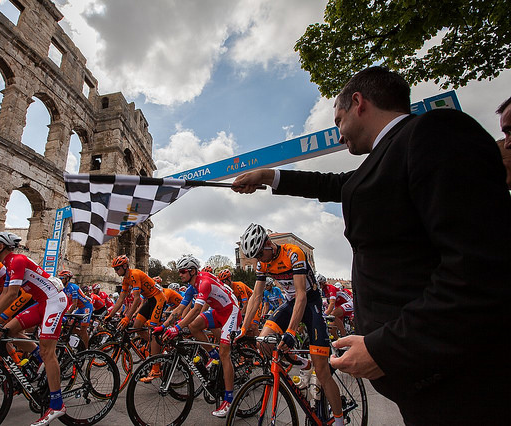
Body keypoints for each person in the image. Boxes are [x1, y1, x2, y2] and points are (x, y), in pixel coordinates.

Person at [232, 66, 511, 424]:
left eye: (338, 120)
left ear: (358, 103)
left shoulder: (434, 131)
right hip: (420, 380)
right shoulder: (385, 158)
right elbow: (334, 184)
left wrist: (386, 348)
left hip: (455, 379)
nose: (338, 132)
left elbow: (480, 267)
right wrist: (269, 176)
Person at [236, 224, 344, 425]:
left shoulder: (293, 253)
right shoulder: (262, 263)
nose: (259, 260)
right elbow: (256, 296)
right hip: (290, 302)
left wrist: (291, 332)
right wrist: (243, 328)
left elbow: (301, 295)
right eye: (255, 257)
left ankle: (339, 420)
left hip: (311, 303)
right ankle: (303, 363)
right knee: (263, 342)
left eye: (260, 254)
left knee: (322, 371)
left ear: (268, 244)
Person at [0, 232, 68, 425]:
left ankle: (57, 405)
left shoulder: (17, 260)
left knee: (49, 351)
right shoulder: (8, 265)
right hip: (42, 303)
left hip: (54, 301)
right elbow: (5, 294)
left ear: (0, 247)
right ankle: (40, 362)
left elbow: (12, 294)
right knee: (6, 330)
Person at [161, 255, 240, 418]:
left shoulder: (204, 282)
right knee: (194, 325)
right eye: (179, 272)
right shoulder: (191, 286)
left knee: (225, 353)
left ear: (192, 271)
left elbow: (196, 309)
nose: (180, 275)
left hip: (231, 311)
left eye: (182, 271)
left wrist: (177, 328)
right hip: (218, 312)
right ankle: (213, 356)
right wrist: (163, 326)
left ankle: (229, 400)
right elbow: (180, 308)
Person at [105, 255, 166, 381]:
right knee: (136, 326)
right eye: (115, 269)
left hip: (158, 299)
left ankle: (156, 369)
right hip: (149, 300)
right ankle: (154, 346)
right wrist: (109, 315)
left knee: (154, 332)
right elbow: (121, 299)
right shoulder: (125, 280)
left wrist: (127, 317)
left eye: (117, 269)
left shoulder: (134, 274)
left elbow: (137, 299)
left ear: (125, 266)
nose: (116, 272)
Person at [59, 270, 93, 348]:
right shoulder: (64, 289)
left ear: (67, 279)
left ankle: (86, 349)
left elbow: (74, 305)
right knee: (69, 326)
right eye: (59, 278)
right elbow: (65, 303)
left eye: (62, 278)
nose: (60, 280)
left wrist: (66, 314)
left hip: (86, 306)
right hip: (80, 308)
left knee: (83, 329)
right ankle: (78, 337)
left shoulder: (73, 287)